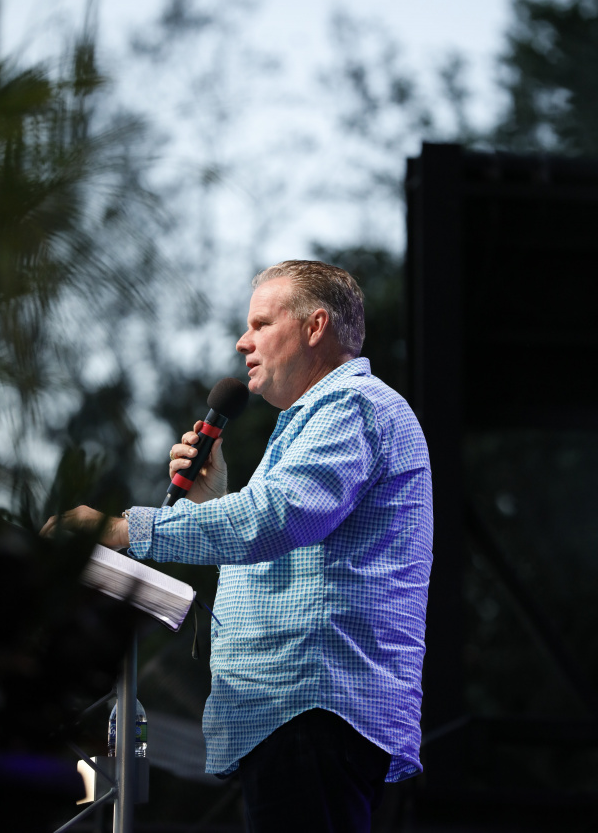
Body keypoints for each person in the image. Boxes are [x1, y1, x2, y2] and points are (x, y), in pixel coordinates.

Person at [41, 260, 433, 833]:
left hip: (310, 706)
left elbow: (276, 517)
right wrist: (212, 500)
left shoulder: (350, 405)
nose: (242, 342)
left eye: (261, 324)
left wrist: (120, 529)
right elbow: (280, 545)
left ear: (315, 326)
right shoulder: (321, 416)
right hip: (297, 712)